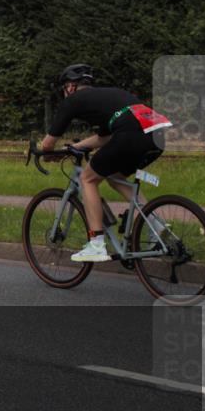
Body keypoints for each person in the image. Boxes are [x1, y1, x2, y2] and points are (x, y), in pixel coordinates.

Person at [40, 64, 171, 263]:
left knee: (87, 179)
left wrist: (43, 152)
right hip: (157, 133)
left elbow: (48, 143)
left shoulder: (73, 101)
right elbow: (104, 138)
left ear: (72, 87)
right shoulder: (109, 96)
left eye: (66, 86)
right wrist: (72, 148)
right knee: (115, 176)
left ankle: (96, 244)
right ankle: (156, 224)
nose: (66, 91)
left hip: (130, 133)